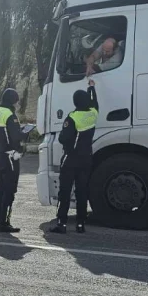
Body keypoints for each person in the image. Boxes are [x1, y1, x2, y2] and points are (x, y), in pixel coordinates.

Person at [49, 80, 99, 233]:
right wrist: (91, 88)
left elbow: (64, 138)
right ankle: (80, 224)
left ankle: (62, 224)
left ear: (75, 102)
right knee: (81, 190)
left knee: (65, 191)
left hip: (71, 159)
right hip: (86, 159)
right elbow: (94, 102)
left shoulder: (72, 118)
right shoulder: (93, 113)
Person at [0, 88, 25, 233]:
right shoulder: (11, 115)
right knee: (10, 189)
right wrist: (24, 134)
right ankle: (4, 223)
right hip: (10, 154)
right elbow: (15, 137)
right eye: (16, 101)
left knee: (0, 187)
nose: (16, 104)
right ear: (12, 100)